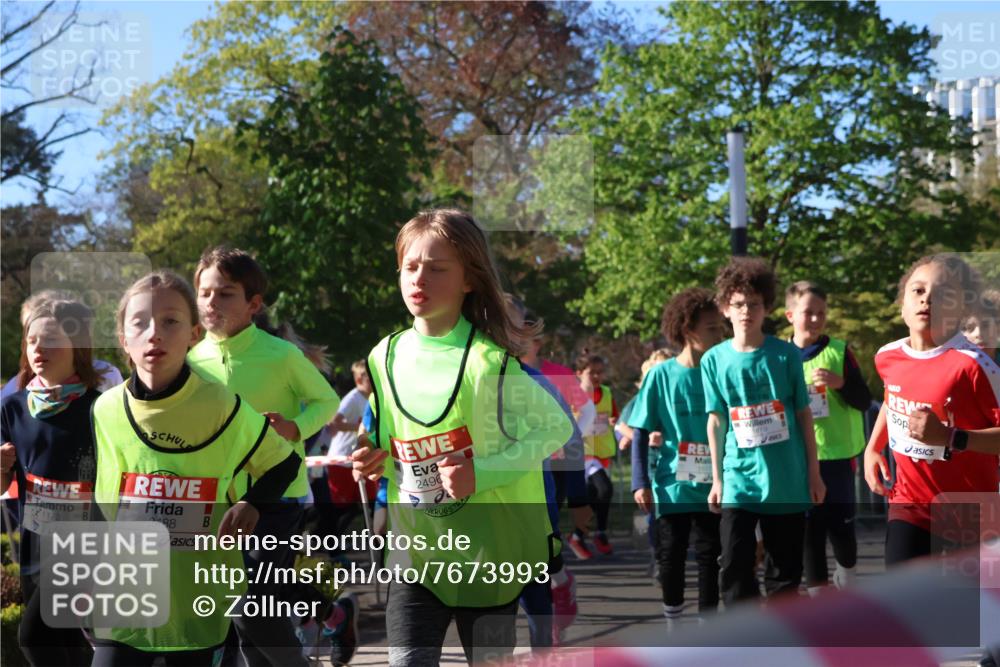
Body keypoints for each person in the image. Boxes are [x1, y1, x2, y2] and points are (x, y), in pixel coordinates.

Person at [350, 208, 573, 666]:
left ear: (469, 279)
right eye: (410, 267)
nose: (420, 278)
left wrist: (483, 473)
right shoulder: (383, 356)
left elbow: (556, 427)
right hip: (416, 557)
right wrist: (373, 461)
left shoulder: (490, 362)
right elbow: (393, 446)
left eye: (437, 268)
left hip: (488, 557)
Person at [88, 270, 300, 666]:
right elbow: (106, 502)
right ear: (123, 340)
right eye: (140, 322)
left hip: (198, 601)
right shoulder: (105, 409)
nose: (155, 333)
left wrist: (252, 503)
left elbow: (284, 463)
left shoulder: (221, 405)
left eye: (171, 321)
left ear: (194, 334)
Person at [187, 246, 346, 666]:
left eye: (225, 294)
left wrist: (295, 428)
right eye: (204, 293)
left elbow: (325, 402)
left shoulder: (281, 354)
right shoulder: (188, 360)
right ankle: (326, 618)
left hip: (277, 495)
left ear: (253, 304)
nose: (210, 303)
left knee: (250, 603)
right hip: (217, 501)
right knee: (248, 614)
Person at [701, 257, 825, 605]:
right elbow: (716, 421)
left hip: (785, 477)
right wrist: (717, 480)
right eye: (738, 304)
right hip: (738, 479)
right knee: (734, 566)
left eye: (753, 304)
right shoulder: (714, 360)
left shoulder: (785, 355)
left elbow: (803, 415)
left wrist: (814, 474)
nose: (746, 311)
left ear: (766, 307)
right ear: (725, 308)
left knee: (784, 574)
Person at [863, 254, 1000, 566]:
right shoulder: (888, 357)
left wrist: (951, 437)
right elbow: (891, 398)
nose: (927, 299)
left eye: (942, 294)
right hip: (909, 504)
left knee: (968, 613)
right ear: (902, 305)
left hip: (969, 511)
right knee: (903, 603)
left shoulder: (975, 366)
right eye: (918, 290)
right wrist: (873, 448)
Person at [0, 297, 103, 666]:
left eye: (52, 340)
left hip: (85, 547)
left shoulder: (102, 408)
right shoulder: (12, 407)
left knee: (33, 636)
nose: (39, 349)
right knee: (67, 643)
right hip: (35, 544)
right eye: (32, 341)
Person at [630, 288, 725, 624]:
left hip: (716, 484)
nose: (720, 333)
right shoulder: (661, 374)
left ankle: (707, 628)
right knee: (670, 556)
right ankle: (673, 622)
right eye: (712, 327)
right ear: (688, 330)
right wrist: (639, 481)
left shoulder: (722, 369)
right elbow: (639, 429)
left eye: (720, 326)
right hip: (673, 484)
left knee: (711, 556)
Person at [784, 281, 871, 593]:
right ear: (790, 315)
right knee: (810, 532)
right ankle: (818, 593)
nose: (816, 319)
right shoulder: (779, 356)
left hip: (838, 458)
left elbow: (864, 400)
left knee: (842, 530)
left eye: (822, 313)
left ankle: (847, 575)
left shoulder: (839, 351)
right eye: (808, 312)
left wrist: (840, 383)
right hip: (800, 460)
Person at [1, 289, 122, 400]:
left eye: (50, 338)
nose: (38, 347)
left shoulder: (107, 378)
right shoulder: (12, 396)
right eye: (32, 339)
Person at [572, 353, 620, 556]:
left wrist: (613, 423)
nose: (597, 377)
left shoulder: (607, 393)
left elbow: (615, 417)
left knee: (594, 497)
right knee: (605, 489)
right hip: (582, 455)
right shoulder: (572, 397)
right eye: (592, 373)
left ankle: (577, 537)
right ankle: (600, 532)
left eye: (600, 372)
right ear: (579, 373)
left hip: (602, 454)